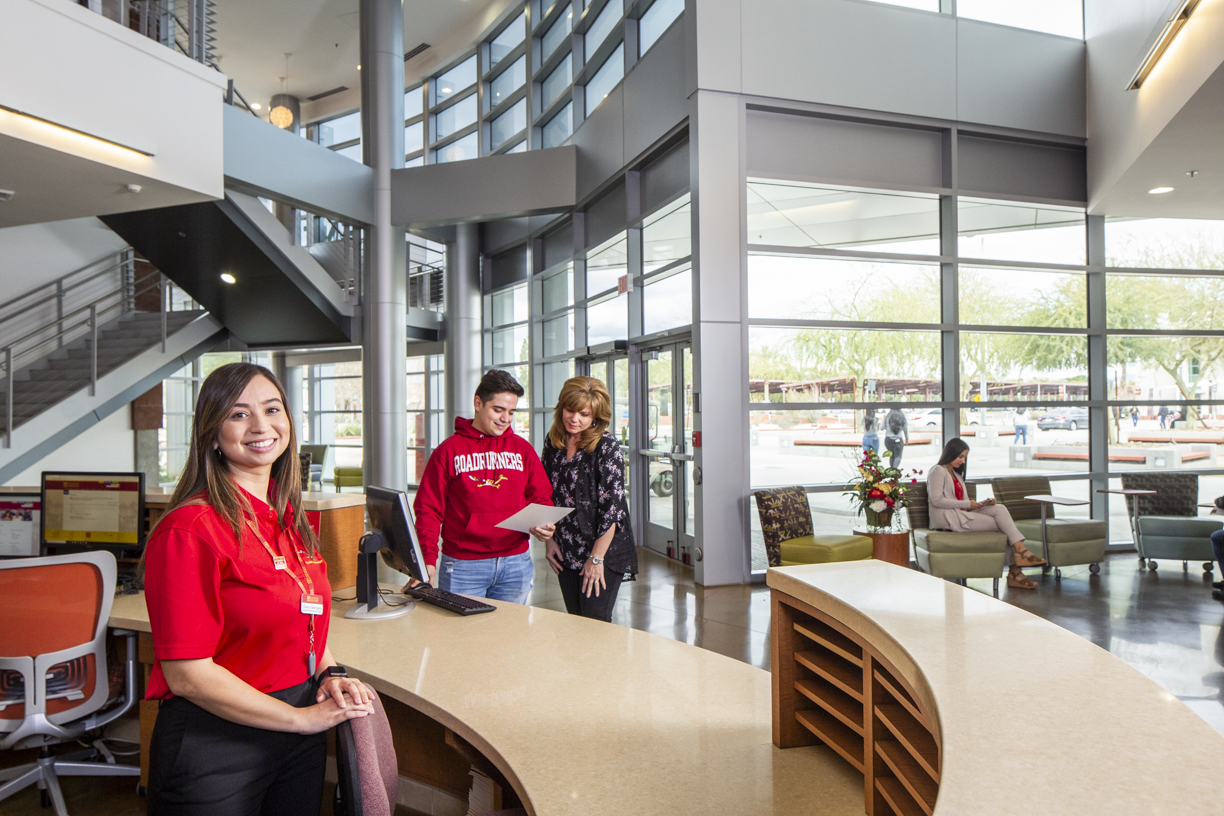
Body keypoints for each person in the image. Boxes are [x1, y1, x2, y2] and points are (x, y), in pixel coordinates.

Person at [142, 363, 374, 815]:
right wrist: (301, 720)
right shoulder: (189, 529)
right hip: (218, 741)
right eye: (238, 414)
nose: (261, 426)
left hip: (296, 729)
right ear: (212, 434)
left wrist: (329, 672)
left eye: (272, 409)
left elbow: (301, 614)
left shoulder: (286, 515)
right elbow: (186, 674)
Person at [412, 369, 554, 603]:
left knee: (510, 636)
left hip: (515, 563)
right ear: (478, 403)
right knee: (465, 638)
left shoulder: (522, 449)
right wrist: (426, 560)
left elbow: (541, 496)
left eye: (511, 412)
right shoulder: (447, 452)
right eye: (498, 410)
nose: (505, 419)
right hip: (463, 566)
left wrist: (544, 525)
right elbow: (428, 510)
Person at [539, 377, 637, 621]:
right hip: (566, 548)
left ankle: (602, 662)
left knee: (595, 622)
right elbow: (544, 493)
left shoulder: (606, 447)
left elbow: (611, 510)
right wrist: (549, 541)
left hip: (602, 550)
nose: (575, 419)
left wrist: (596, 559)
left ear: (596, 416)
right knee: (576, 621)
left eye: (584, 413)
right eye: (570, 410)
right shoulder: (554, 443)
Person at [927, 437, 1048, 590]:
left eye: (965, 457)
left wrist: (981, 504)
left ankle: (1019, 553)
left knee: (1000, 509)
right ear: (951, 454)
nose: (963, 461)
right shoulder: (937, 471)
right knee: (1002, 525)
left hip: (961, 515)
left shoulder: (957, 475)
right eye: (961, 457)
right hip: (947, 520)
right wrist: (968, 503)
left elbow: (964, 505)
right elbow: (937, 500)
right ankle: (1016, 566)